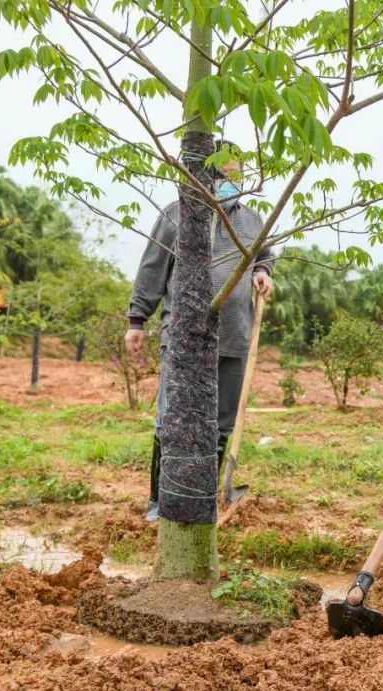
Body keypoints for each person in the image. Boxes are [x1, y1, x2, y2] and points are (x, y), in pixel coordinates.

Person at [125, 140, 274, 522]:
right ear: (205, 175)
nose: (231, 183)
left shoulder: (252, 221)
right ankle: (161, 500)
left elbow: (264, 256)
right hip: (185, 340)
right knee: (172, 417)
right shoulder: (178, 215)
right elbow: (152, 267)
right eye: (224, 176)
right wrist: (137, 319)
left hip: (236, 336)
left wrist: (262, 272)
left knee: (223, 421)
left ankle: (206, 496)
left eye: (237, 176)